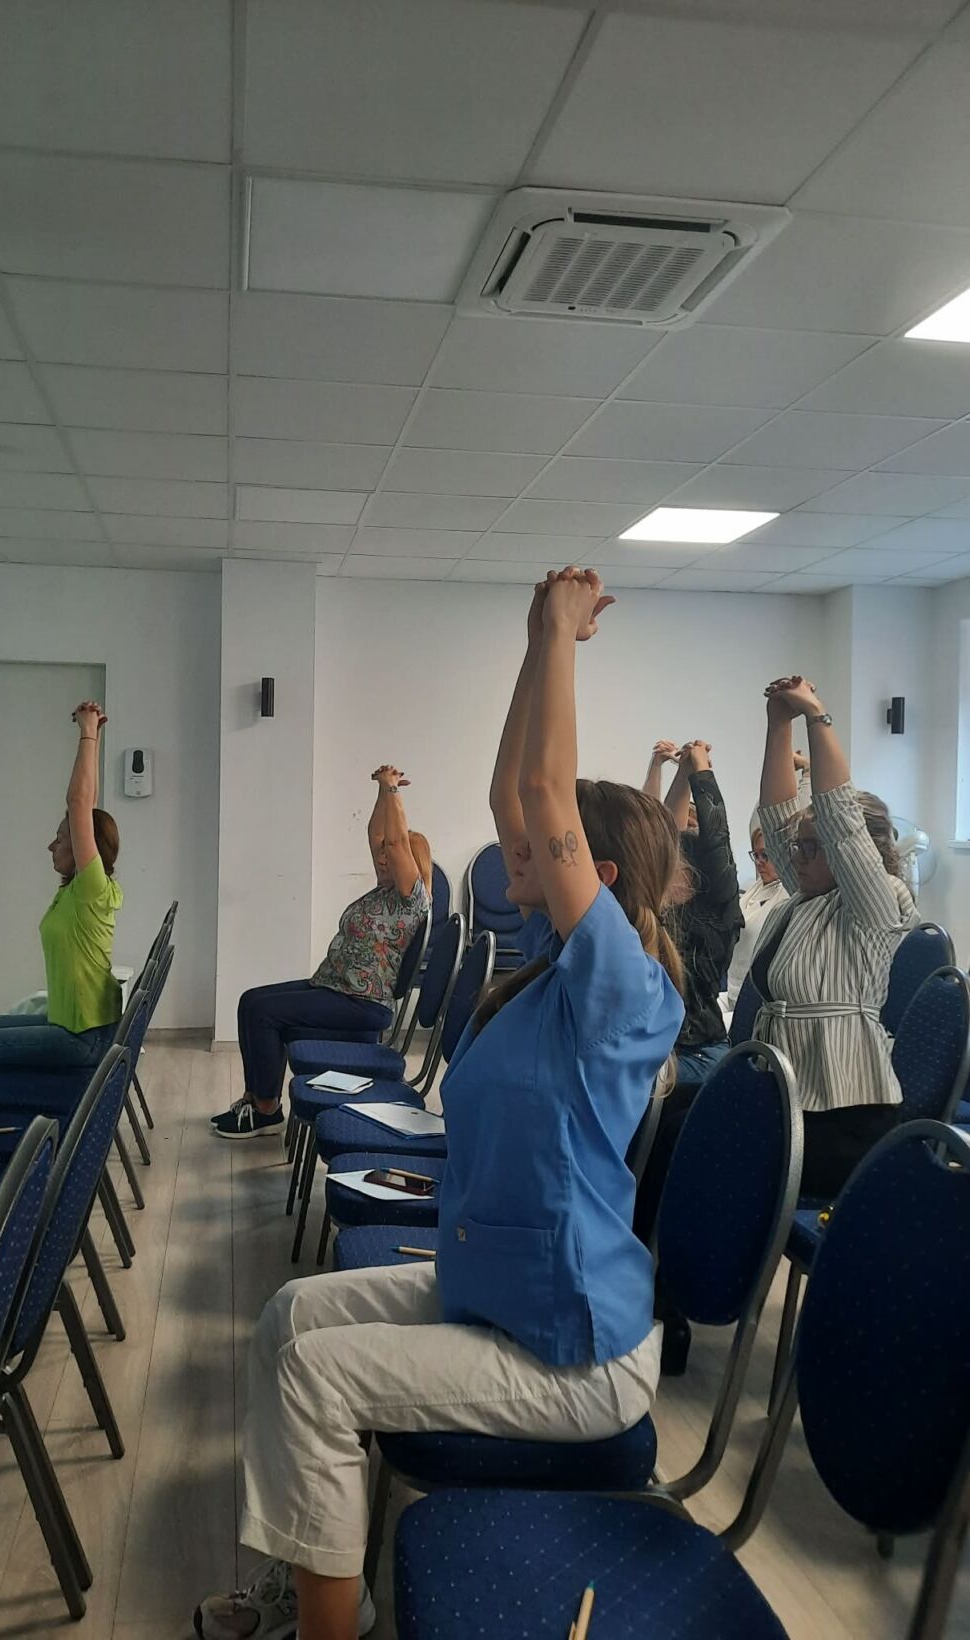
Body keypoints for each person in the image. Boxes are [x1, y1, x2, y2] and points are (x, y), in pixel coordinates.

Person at [194, 568, 684, 1640]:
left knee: (318, 1378)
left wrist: (560, 637)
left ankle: (326, 1624)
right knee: (290, 1317)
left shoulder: (621, 989)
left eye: (541, 847)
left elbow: (542, 797)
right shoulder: (555, 965)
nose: (512, 847)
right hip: (502, 1293)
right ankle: (309, 1577)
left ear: (596, 878)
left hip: (571, 1351)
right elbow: (519, 792)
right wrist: (533, 641)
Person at [754, 674, 918, 1198]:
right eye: (798, 847)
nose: (797, 856)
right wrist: (778, 724)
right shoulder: (806, 896)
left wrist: (815, 717)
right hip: (792, 1096)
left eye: (812, 847)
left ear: (858, 852)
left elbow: (841, 824)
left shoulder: (876, 900)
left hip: (846, 1111)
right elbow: (777, 818)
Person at [211, 767, 431, 1140]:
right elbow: (378, 835)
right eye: (380, 855)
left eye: (390, 856)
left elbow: (395, 842)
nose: (382, 858)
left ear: (411, 863)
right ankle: (256, 1099)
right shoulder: (385, 891)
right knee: (251, 1001)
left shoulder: (412, 900)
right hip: (335, 988)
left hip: (361, 1003)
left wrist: (393, 789)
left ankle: (265, 1110)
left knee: (264, 1014)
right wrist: (381, 792)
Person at [0, 700, 124, 1107]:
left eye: (61, 838)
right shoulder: (77, 892)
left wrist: (87, 733)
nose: (51, 845)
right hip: (73, 1026)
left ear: (85, 846)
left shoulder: (91, 890)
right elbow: (84, 807)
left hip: (78, 1038)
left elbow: (79, 805)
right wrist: (95, 735)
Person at [644, 739, 742, 1084]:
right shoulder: (659, 903)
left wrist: (701, 771)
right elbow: (659, 834)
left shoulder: (717, 901)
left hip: (697, 1055)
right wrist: (683, 771)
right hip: (662, 1049)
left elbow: (717, 837)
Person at [720, 751, 809, 1023]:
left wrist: (807, 773)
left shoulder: (790, 892)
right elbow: (759, 819)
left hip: (756, 1007)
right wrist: (780, 769)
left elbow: (790, 823)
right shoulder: (755, 889)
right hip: (730, 996)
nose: (760, 862)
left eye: (767, 856)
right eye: (756, 855)